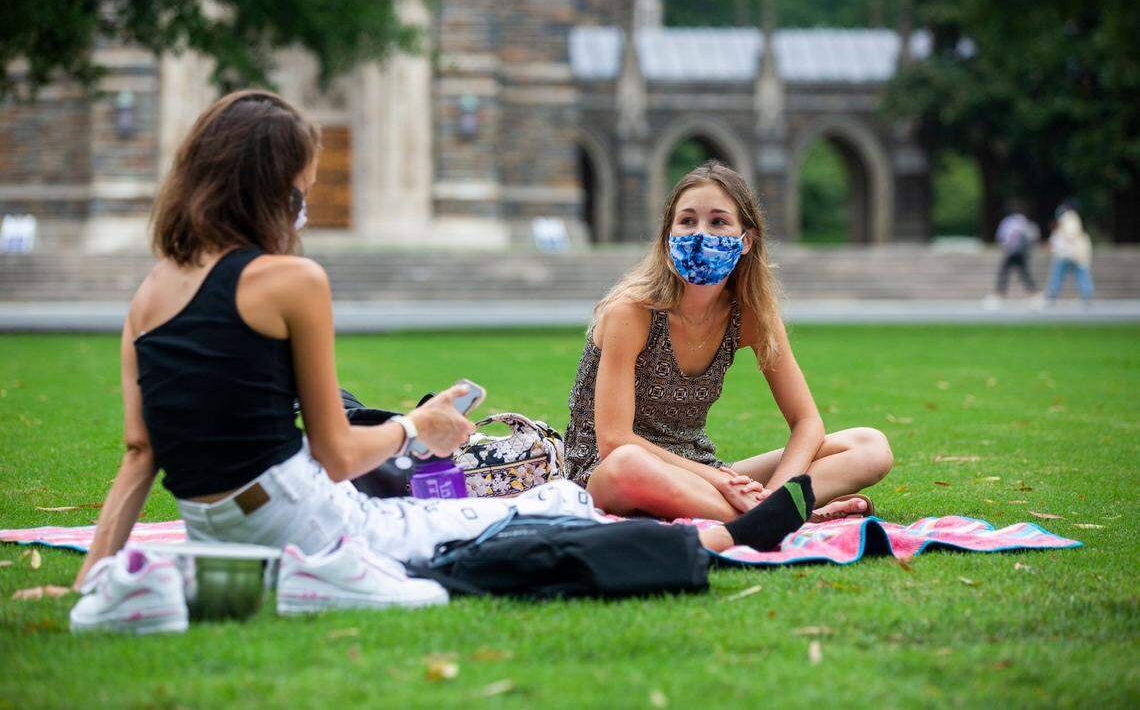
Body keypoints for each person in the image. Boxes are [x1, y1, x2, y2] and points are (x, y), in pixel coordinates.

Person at [74, 93, 814, 601]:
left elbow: (141, 455)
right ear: (268, 187)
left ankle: (717, 526)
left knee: (516, 507)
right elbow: (335, 456)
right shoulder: (292, 280)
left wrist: (92, 579)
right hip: (310, 520)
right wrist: (414, 428)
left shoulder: (149, 293)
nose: (304, 203)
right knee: (552, 512)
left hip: (217, 527)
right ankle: (713, 541)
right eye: (301, 185)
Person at [564, 160, 893, 523]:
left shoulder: (751, 315)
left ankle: (771, 514)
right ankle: (770, 521)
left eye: (718, 221)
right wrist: (720, 480)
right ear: (668, 236)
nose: (700, 233)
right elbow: (614, 441)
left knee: (869, 446)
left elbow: (807, 422)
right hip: (609, 471)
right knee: (629, 465)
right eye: (687, 221)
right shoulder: (631, 311)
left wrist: (778, 492)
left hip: (700, 470)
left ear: (746, 240)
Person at [1045, 200, 1094, 304]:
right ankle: (1086, 294)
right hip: (1073, 252)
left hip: (1068, 252)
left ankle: (1052, 295)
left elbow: (1070, 234)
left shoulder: (1069, 217)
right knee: (1078, 273)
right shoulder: (1072, 217)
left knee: (1059, 273)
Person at [993, 203, 1041, 299]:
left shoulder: (1006, 222)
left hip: (1011, 251)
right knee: (1023, 272)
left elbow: (1001, 237)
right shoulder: (1022, 219)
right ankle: (1033, 291)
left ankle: (1000, 292)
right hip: (1022, 251)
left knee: (1005, 271)